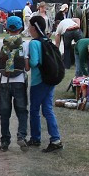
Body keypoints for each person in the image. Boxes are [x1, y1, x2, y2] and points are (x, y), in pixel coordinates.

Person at [27, 15, 62, 152]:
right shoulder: (47, 40)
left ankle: (36, 138)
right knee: (47, 109)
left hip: (38, 81)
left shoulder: (34, 43)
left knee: (34, 110)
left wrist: (26, 58)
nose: (28, 29)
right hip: (50, 79)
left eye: (30, 26)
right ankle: (55, 138)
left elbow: (34, 63)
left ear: (34, 28)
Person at [0, 15, 29, 152]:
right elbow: (26, 67)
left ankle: (5, 140)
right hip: (19, 81)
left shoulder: (2, 43)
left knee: (4, 113)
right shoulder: (25, 44)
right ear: (21, 28)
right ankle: (21, 135)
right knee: (22, 111)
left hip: (4, 81)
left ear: (6, 28)